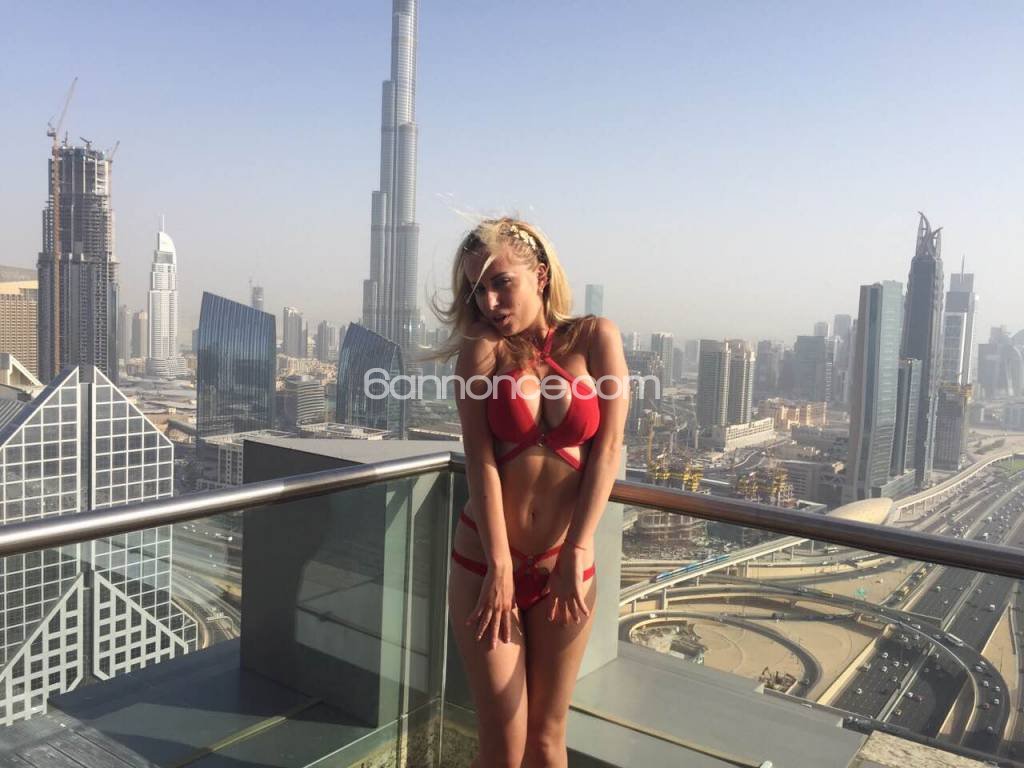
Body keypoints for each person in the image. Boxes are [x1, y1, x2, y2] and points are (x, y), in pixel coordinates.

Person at [431, 217, 628, 767]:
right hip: (485, 562)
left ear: (540, 275)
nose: (490, 302)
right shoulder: (482, 348)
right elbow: (480, 460)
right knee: (503, 745)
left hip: (565, 561)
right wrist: (499, 565)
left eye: (502, 283)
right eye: (477, 289)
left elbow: (609, 449)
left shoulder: (595, 337)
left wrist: (578, 548)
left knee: (546, 739)